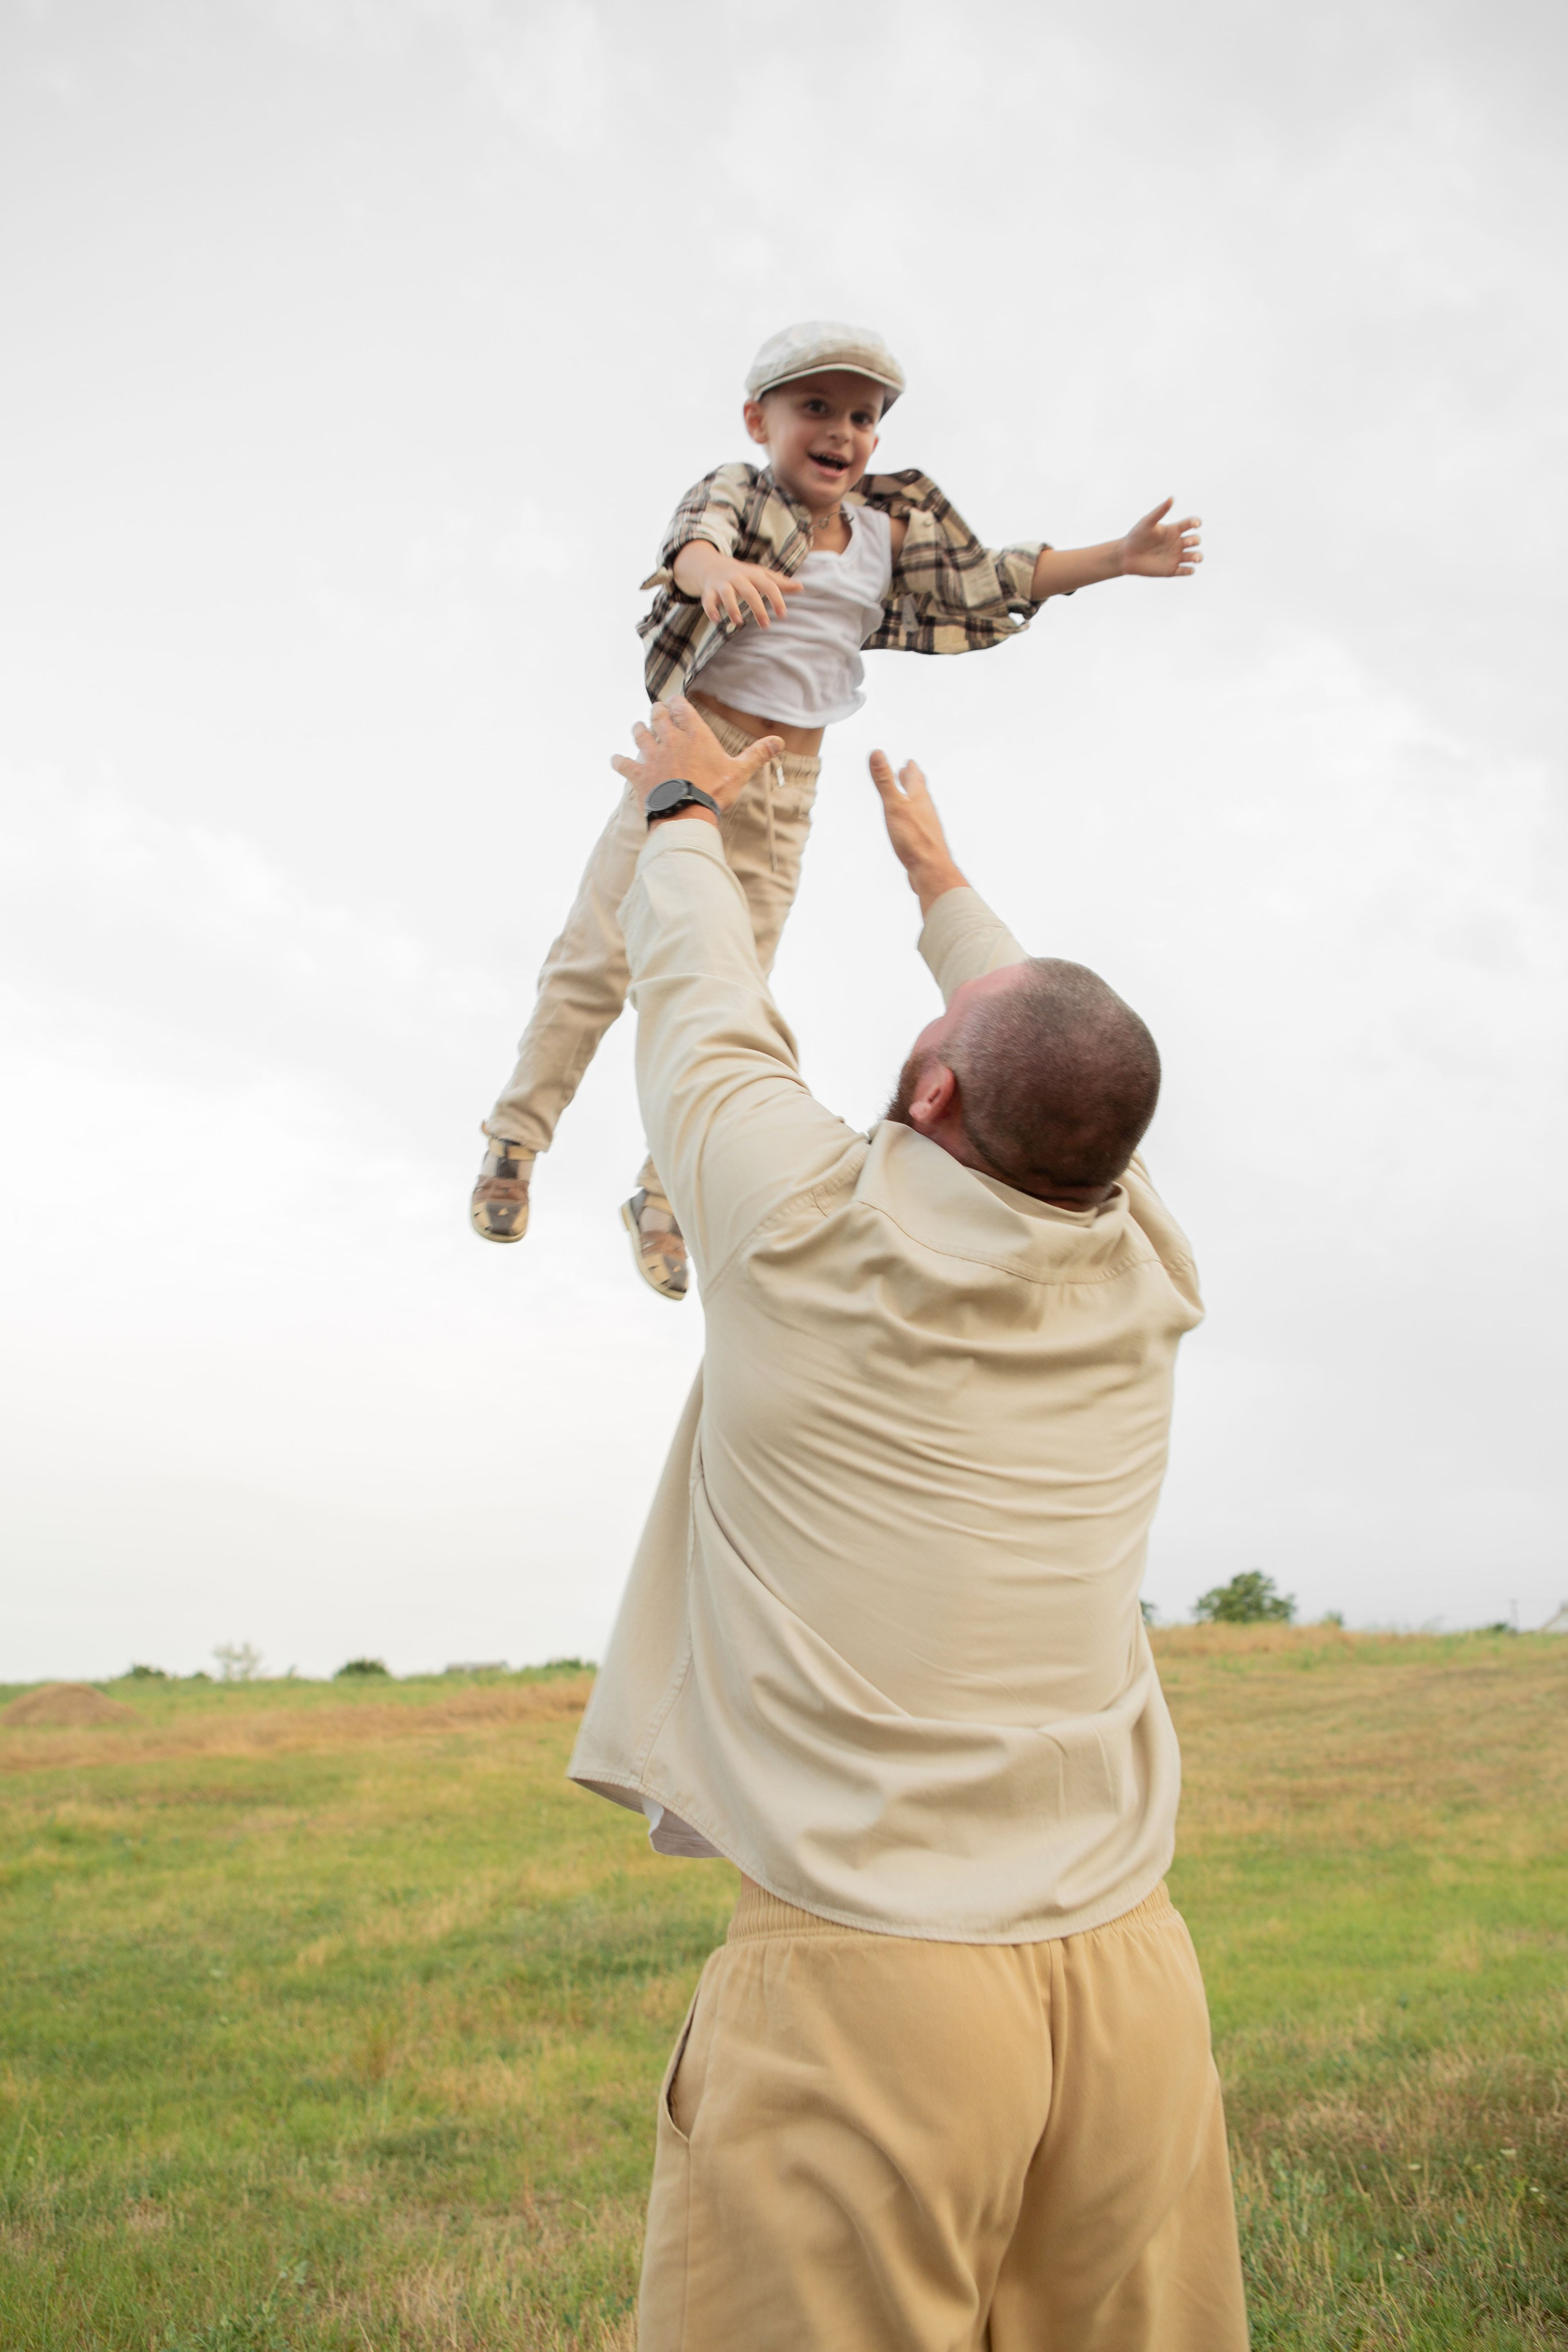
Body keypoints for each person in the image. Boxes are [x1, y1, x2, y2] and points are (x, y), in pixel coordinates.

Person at [567, 696, 1248, 2351]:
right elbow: (1061, 1065)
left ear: (933, 1091)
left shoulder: (803, 1232)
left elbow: (704, 1001)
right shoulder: (1146, 1267)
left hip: (873, 1992)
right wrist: (945, 884)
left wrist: (676, 809)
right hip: (1134, 1985)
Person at [470, 319, 1202, 1298]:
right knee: (600, 956)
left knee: (729, 984)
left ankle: (662, 1192)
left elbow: (994, 582)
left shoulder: (892, 528)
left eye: (862, 416)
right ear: (759, 418)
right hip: (694, 751)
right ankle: (517, 1136)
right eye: (815, 408)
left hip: (784, 788)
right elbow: (696, 544)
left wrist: (1116, 556)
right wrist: (715, 572)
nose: (841, 432)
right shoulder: (741, 492)